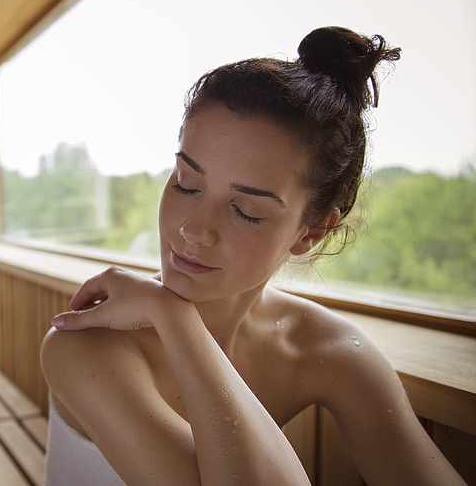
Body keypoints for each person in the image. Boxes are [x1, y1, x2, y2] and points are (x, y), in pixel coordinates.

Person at [40, 27, 466, 485]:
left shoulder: (326, 348)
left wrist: (174, 318)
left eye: (245, 211)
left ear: (312, 232)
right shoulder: (84, 344)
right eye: (186, 183)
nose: (193, 230)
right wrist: (175, 317)